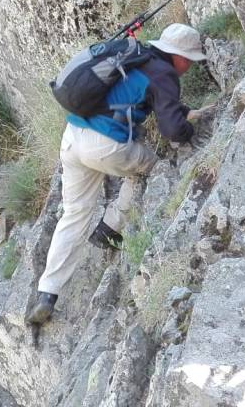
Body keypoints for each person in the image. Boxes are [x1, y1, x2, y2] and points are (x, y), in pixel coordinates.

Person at [27, 23, 212, 324]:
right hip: (105, 146)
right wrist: (189, 129)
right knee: (153, 172)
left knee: (74, 213)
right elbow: (172, 130)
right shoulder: (165, 74)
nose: (188, 67)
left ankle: (47, 293)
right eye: (189, 61)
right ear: (178, 56)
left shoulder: (136, 57)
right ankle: (109, 228)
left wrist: (182, 110)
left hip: (72, 137)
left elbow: (142, 96)